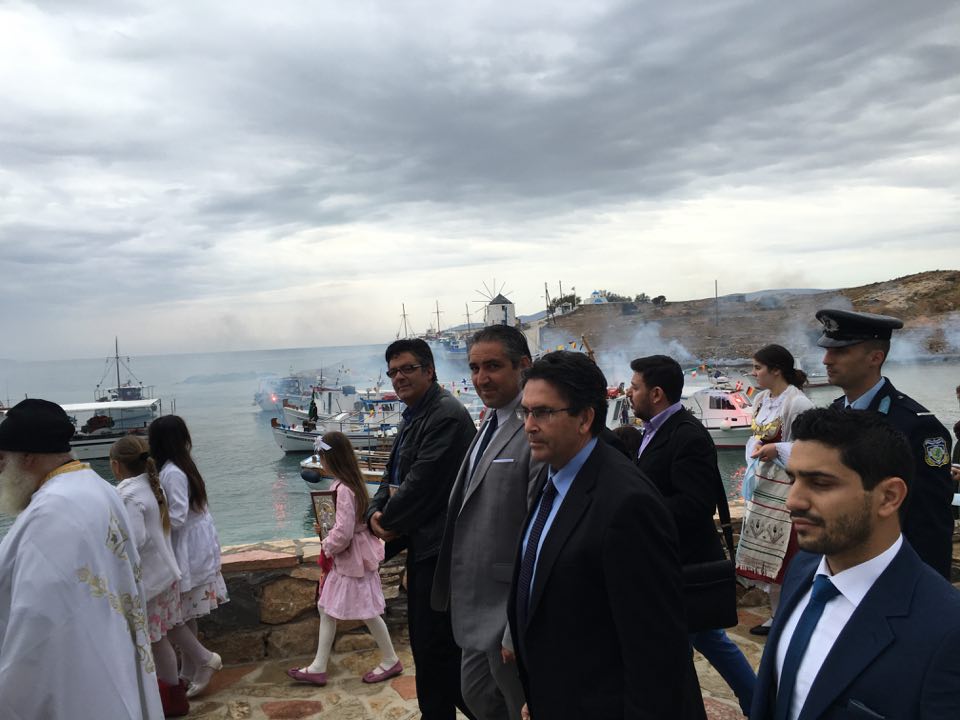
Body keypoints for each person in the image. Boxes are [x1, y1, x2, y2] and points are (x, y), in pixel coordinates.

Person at [507, 351, 706, 720]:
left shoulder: (626, 505)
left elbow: (656, 650)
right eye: (526, 412)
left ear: (585, 418)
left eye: (543, 413)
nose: (529, 426)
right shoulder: (555, 479)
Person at [751, 407, 960, 719]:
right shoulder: (803, 568)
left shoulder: (947, 630)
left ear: (888, 497)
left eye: (820, 483)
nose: (793, 500)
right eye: (792, 478)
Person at [0, 399, 164, 718]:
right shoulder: (99, 487)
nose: (0, 470)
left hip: (73, 673)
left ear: (28, 457)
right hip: (109, 649)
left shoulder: (51, 510)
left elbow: (38, 618)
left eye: (3, 459)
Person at [628, 355, 756, 716]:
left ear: (656, 393)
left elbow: (694, 504)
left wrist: (637, 511)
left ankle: (756, 703)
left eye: (635, 387)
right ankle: (758, 702)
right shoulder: (655, 431)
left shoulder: (686, 435)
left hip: (684, 563)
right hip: (669, 563)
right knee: (704, 640)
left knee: (685, 649)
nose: (629, 393)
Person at [432, 325, 542, 720]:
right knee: (477, 696)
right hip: (475, 603)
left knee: (518, 704)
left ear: (523, 366)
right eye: (475, 368)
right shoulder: (490, 420)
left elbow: (537, 530)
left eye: (493, 366)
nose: (481, 378)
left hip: (507, 607)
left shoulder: (533, 428)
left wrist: (515, 624)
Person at [366, 338, 476, 720]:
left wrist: (386, 521)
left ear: (429, 371)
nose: (399, 377)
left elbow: (422, 484)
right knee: (430, 652)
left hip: (442, 551)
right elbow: (391, 475)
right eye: (393, 372)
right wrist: (374, 513)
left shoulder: (444, 415)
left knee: (439, 652)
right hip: (424, 547)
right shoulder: (414, 414)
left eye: (407, 369)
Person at [816, 308, 954, 578]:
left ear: (875, 358)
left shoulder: (918, 427)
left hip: (889, 573)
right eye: (827, 350)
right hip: (839, 566)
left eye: (840, 351)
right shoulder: (834, 414)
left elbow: (930, 522)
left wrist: (924, 588)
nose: (826, 360)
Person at [288, 431, 401, 686]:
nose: (321, 463)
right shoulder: (349, 485)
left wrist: (327, 545)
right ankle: (319, 666)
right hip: (353, 557)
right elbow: (342, 524)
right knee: (327, 607)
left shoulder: (343, 489)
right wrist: (323, 528)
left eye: (322, 458)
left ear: (333, 459)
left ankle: (390, 659)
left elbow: (344, 531)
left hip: (351, 559)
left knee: (365, 611)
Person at [149, 415, 228, 698]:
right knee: (186, 611)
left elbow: (178, 516)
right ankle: (189, 669)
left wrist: (148, 525)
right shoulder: (183, 465)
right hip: (197, 545)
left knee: (174, 617)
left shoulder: (171, 472)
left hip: (187, 550)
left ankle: (203, 662)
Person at [737, 344, 814, 636]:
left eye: (758, 368)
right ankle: (776, 615)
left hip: (787, 489)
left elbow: (809, 447)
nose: (754, 373)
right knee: (769, 555)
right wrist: (757, 446)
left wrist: (777, 449)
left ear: (776, 370)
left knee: (787, 554)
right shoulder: (760, 400)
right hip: (764, 484)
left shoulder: (797, 404)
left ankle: (790, 616)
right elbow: (755, 436)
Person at [110, 435, 188, 716]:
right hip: (165, 573)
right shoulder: (152, 485)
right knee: (161, 639)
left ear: (116, 465)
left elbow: (135, 539)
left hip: (149, 581)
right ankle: (174, 696)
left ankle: (166, 700)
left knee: (153, 642)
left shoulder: (129, 495)